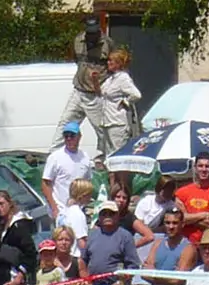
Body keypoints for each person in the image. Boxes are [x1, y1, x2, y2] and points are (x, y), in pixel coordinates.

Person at [59, 16, 111, 148]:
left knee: (102, 129)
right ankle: (55, 153)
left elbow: (113, 65)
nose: (91, 35)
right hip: (78, 91)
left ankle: (103, 158)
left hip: (95, 94)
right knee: (65, 124)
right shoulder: (78, 40)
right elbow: (77, 60)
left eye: (94, 32)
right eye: (89, 31)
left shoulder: (108, 43)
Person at [144, 206, 197, 285]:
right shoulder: (157, 243)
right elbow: (144, 273)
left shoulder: (188, 248)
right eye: (167, 223)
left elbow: (177, 280)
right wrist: (168, 278)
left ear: (182, 224)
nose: (171, 227)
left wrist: (154, 276)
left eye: (175, 223)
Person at [43, 122, 96, 222]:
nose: (68, 139)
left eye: (72, 136)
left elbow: (88, 183)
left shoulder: (85, 157)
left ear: (79, 136)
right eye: (66, 136)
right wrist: (54, 208)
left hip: (79, 211)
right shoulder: (55, 157)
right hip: (61, 211)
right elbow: (45, 184)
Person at [96, 47, 141, 162]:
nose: (108, 63)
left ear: (119, 63)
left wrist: (125, 102)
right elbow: (100, 92)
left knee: (118, 154)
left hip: (117, 122)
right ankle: (111, 179)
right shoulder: (110, 79)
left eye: (111, 61)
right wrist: (95, 81)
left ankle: (121, 179)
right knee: (109, 154)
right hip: (107, 120)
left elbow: (136, 94)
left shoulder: (123, 78)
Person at [175, 156, 209, 246]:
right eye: (200, 166)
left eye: (207, 166)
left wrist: (188, 219)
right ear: (195, 168)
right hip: (183, 244)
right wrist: (203, 215)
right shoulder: (181, 193)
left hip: (206, 245)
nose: (204, 169)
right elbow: (179, 219)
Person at [133, 175, 177, 246]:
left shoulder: (172, 207)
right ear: (159, 188)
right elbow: (139, 225)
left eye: (170, 190)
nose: (167, 192)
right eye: (165, 189)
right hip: (144, 238)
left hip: (163, 240)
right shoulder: (146, 201)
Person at [60, 177, 95, 247]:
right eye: (89, 194)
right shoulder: (77, 214)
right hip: (76, 255)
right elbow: (81, 240)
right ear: (83, 195)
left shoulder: (63, 212)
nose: (90, 197)